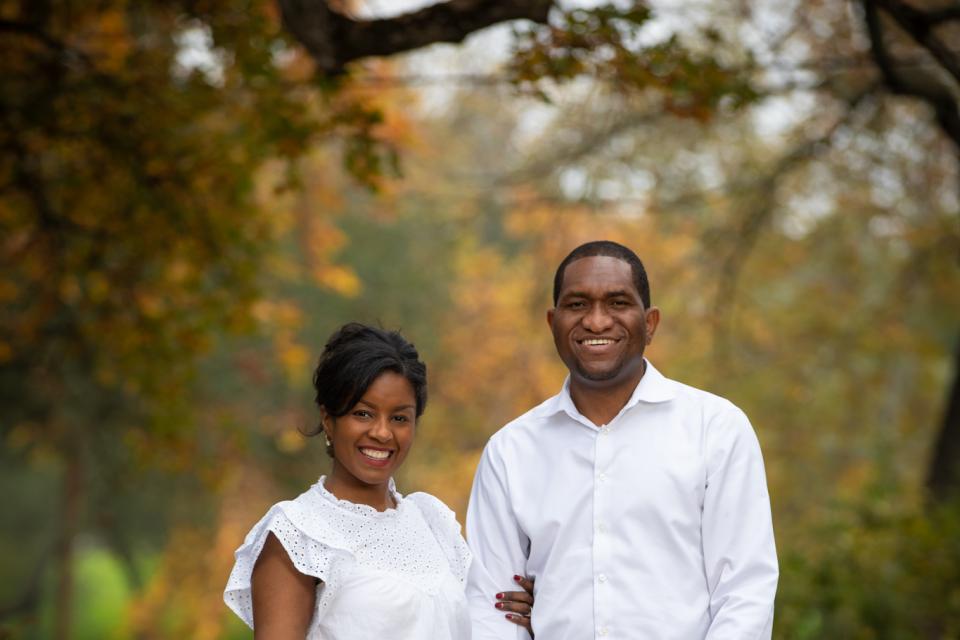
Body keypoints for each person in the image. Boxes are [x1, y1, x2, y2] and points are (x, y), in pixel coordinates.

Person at [466, 240, 779, 639]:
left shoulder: (715, 429)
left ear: (650, 323)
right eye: (577, 304)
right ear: (552, 322)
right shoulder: (510, 451)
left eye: (617, 303)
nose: (596, 322)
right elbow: (492, 605)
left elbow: (744, 592)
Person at [224, 323, 534, 639]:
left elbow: (476, 619)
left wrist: (527, 607)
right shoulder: (298, 532)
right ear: (328, 419)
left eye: (399, 418)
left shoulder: (431, 520)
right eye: (363, 413)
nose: (382, 432)